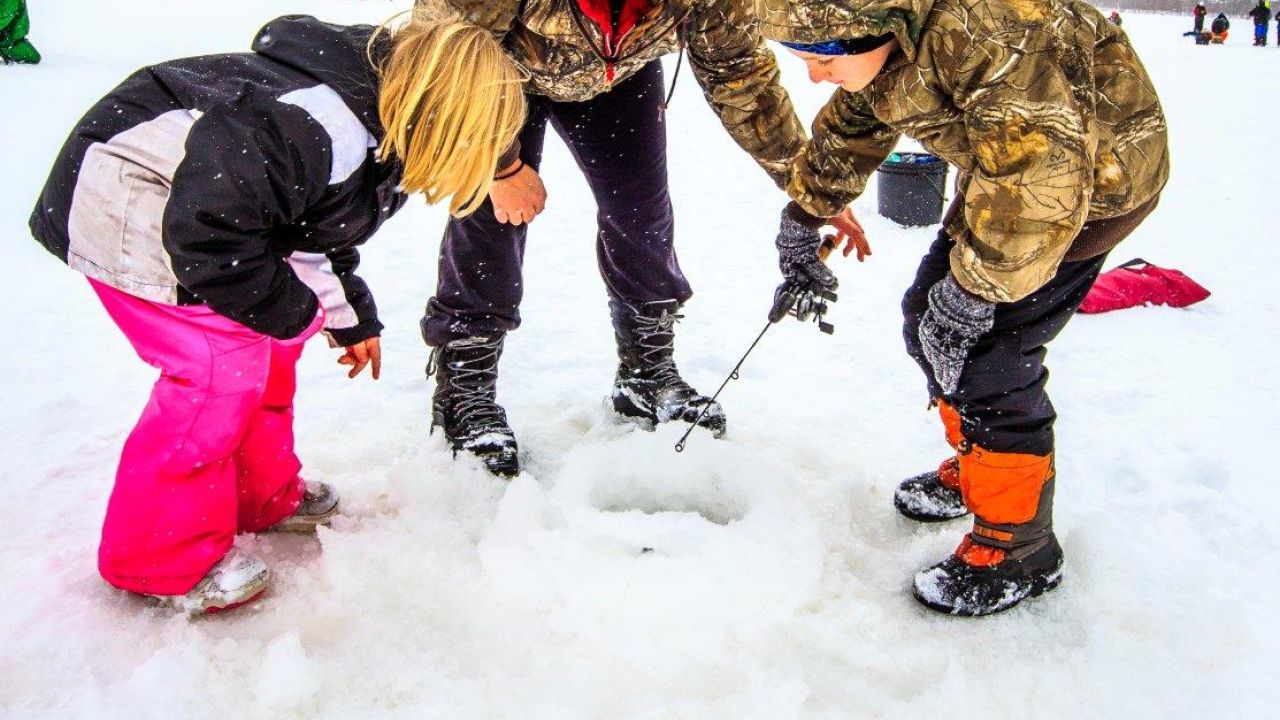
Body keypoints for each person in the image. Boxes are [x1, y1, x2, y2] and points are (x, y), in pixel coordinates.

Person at [28, 15, 526, 613]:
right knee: (218, 367)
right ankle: (158, 558)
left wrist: (347, 319)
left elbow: (313, 229)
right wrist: (294, 312)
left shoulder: (376, 126)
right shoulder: (317, 126)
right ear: (446, 122)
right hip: (129, 200)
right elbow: (208, 238)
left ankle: (259, 496)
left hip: (214, 218)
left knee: (271, 345)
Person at [754, 0, 1169, 615]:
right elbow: (855, 124)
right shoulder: (891, 38)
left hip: (1089, 188)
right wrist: (803, 218)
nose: (813, 76)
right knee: (928, 317)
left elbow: (1041, 183)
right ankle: (985, 463)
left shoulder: (993, 36)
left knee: (986, 354)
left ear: (872, 29)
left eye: (821, 59)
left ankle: (1020, 546)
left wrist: (974, 295)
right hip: (1003, 174)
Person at [411, 0, 866, 477]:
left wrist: (812, 190)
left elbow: (742, 80)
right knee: (492, 216)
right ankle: (465, 386)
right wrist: (501, 165)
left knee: (642, 213)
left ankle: (646, 374)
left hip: (619, 76)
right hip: (490, 76)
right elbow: (445, 50)